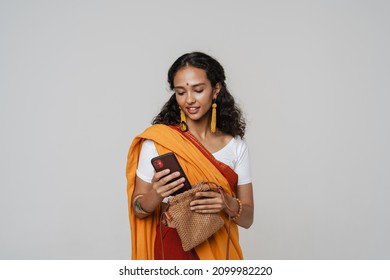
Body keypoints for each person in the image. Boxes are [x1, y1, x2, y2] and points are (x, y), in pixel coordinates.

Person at [126, 52, 254, 260]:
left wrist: (226, 203)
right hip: (173, 248)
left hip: (219, 248)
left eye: (198, 90)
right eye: (181, 92)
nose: (190, 100)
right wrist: (156, 194)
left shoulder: (236, 146)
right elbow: (139, 209)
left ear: (216, 90)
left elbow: (248, 219)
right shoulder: (158, 141)